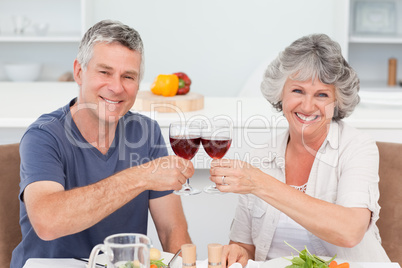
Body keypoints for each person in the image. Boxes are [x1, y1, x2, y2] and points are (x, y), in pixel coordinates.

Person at [11, 20, 193, 268]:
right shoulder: (44, 136)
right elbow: (48, 222)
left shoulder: (146, 132)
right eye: (104, 72)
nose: (116, 87)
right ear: (79, 72)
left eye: (128, 76)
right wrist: (141, 176)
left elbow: (172, 229)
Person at [209, 34, 391, 267]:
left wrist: (260, 183)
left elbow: (350, 231)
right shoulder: (261, 156)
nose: (307, 106)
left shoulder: (357, 147)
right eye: (297, 91)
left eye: (322, 95)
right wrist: (238, 253)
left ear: (337, 101)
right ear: (281, 94)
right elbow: (244, 246)